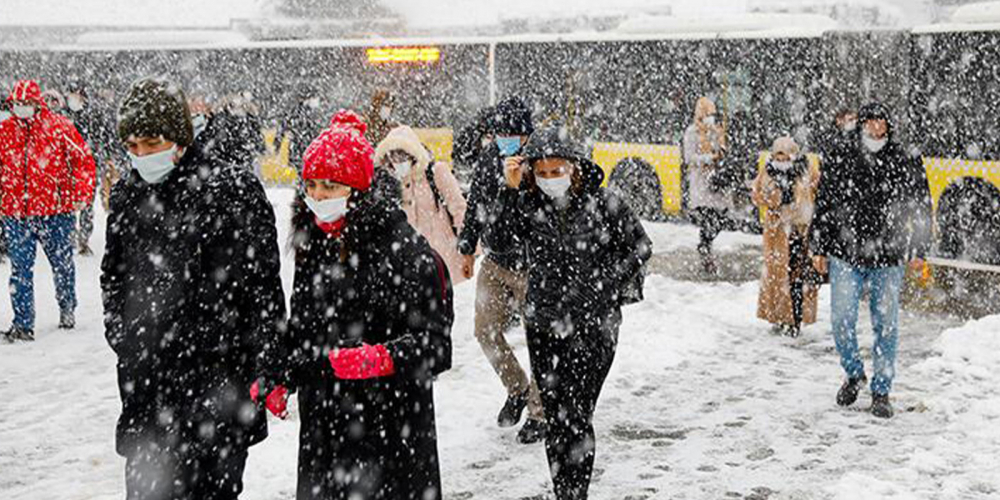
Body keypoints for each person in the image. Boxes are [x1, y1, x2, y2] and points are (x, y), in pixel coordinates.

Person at [101, 77, 287, 499]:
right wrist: (125, 335)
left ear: (179, 138)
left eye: (151, 142)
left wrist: (267, 362)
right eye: (132, 146)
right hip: (150, 384)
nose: (142, 155)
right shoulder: (130, 193)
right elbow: (114, 275)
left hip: (218, 385)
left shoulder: (233, 191)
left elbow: (263, 288)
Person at [282, 110, 453, 500]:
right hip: (325, 429)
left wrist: (383, 357)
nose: (318, 197)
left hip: (391, 430)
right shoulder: (311, 245)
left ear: (357, 190)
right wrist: (285, 374)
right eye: (311, 185)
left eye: (330, 186)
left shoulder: (408, 254)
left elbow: (437, 347)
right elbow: (304, 330)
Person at [487, 126, 651, 500]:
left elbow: (640, 246)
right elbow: (497, 243)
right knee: (555, 419)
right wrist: (508, 190)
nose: (549, 180)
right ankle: (565, 492)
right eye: (541, 173)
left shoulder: (605, 202)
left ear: (574, 168)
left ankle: (576, 494)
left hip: (595, 326)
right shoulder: (527, 204)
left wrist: (604, 284)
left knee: (576, 416)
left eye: (556, 170)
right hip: (544, 324)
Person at [811, 102, 932, 419]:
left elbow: (920, 202)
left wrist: (919, 249)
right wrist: (819, 246)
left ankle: (881, 390)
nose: (876, 127)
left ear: (888, 125)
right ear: (861, 124)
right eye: (870, 121)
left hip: (889, 255)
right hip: (846, 252)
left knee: (887, 326)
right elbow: (824, 199)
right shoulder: (841, 153)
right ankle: (854, 373)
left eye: (882, 122)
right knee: (841, 319)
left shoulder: (904, 157)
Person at [456, 97, 547, 444]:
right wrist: (467, 246)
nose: (505, 139)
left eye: (513, 133)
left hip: (530, 265)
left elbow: (535, 216)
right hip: (494, 261)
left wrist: (515, 185)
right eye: (500, 132)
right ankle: (518, 388)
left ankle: (540, 412)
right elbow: (475, 204)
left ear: (526, 134)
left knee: (538, 338)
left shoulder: (539, 162)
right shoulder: (488, 158)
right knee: (485, 330)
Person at [0, 79, 96, 341]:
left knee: (62, 264)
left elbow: (84, 160)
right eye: (16, 104)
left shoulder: (60, 127)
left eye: (25, 104)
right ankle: (23, 324)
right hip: (16, 213)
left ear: (37, 103)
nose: (21, 108)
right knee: (20, 270)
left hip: (55, 212)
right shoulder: (4, 131)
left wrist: (81, 194)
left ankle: (67, 307)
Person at [375, 124, 471, 284]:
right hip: (408, 262)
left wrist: (468, 249)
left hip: (444, 256)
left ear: (413, 154)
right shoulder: (388, 184)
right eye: (392, 155)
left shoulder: (435, 172)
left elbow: (459, 209)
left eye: (402, 154)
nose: (397, 160)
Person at [751, 136, 821, 338]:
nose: (782, 160)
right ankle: (781, 317)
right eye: (778, 155)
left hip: (800, 230)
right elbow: (756, 194)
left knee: (797, 277)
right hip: (777, 233)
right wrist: (774, 196)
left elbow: (817, 189)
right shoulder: (768, 170)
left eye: (785, 155)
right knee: (778, 279)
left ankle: (795, 319)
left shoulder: (806, 169)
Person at [682, 96, 731, 275]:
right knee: (708, 220)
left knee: (720, 218)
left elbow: (723, 152)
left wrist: (720, 145)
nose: (711, 117)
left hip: (715, 183)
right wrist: (708, 159)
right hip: (701, 185)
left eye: (713, 114)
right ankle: (706, 253)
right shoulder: (691, 132)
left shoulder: (715, 131)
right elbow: (689, 158)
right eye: (708, 113)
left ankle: (705, 247)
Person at [63, 80, 102, 256]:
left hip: (88, 168)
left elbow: (102, 140)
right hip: (67, 168)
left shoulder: (93, 116)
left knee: (87, 205)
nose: (72, 97)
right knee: (68, 204)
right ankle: (70, 236)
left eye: (75, 93)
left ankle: (84, 239)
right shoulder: (63, 116)